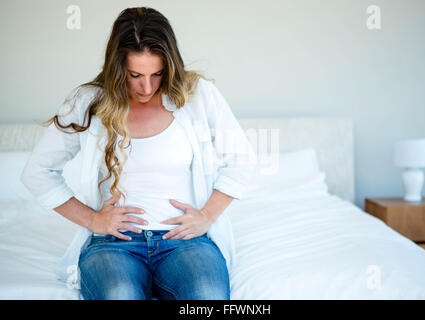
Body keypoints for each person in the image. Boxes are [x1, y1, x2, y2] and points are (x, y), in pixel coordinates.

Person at [21, 7, 256, 300]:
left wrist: (207, 215)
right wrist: (94, 221)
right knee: (120, 294)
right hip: (112, 244)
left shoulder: (198, 95)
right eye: (135, 75)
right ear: (117, 67)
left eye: (157, 74)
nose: (147, 87)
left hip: (185, 243)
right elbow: (37, 172)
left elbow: (241, 160)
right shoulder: (87, 101)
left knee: (206, 296)